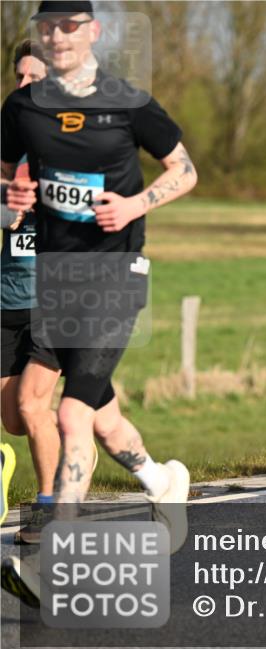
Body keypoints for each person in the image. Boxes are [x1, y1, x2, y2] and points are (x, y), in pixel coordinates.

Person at [0, 0, 198, 607]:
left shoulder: (128, 102)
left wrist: (137, 206)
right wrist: (14, 195)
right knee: (100, 415)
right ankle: (160, 480)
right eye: (48, 27)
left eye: (70, 26)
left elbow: (184, 169)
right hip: (57, 286)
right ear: (38, 34)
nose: (58, 37)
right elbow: (8, 176)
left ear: (93, 32)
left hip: (117, 279)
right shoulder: (22, 108)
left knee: (70, 414)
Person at [0, 39, 77, 545]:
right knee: (14, 420)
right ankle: (87, 431)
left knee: (32, 406)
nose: (27, 87)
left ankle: (51, 510)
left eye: (37, 79)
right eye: (21, 78)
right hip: (7, 300)